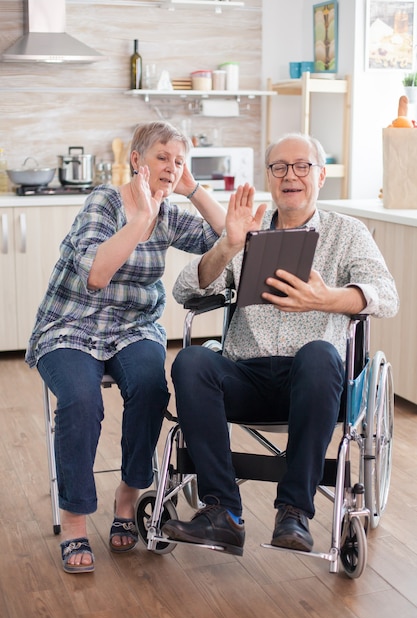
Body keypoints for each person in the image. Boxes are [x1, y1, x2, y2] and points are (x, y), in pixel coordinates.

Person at [162, 132, 399, 556]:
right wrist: (228, 245)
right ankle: (222, 513)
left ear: (321, 175)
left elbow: (386, 293)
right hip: (246, 375)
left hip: (314, 381)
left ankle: (294, 510)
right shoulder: (248, 231)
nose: (291, 175)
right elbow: (185, 291)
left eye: (302, 166)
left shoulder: (348, 233)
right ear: (270, 176)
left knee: (321, 354)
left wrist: (329, 299)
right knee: (191, 362)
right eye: (280, 167)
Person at [25, 121, 226, 573]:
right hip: (70, 325)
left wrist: (192, 189)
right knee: (80, 400)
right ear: (137, 160)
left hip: (133, 327)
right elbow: (96, 276)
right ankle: (75, 520)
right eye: (162, 158)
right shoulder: (104, 202)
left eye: (179, 162)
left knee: (152, 389)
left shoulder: (171, 212)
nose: (171, 168)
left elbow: (232, 237)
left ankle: (129, 495)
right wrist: (140, 220)